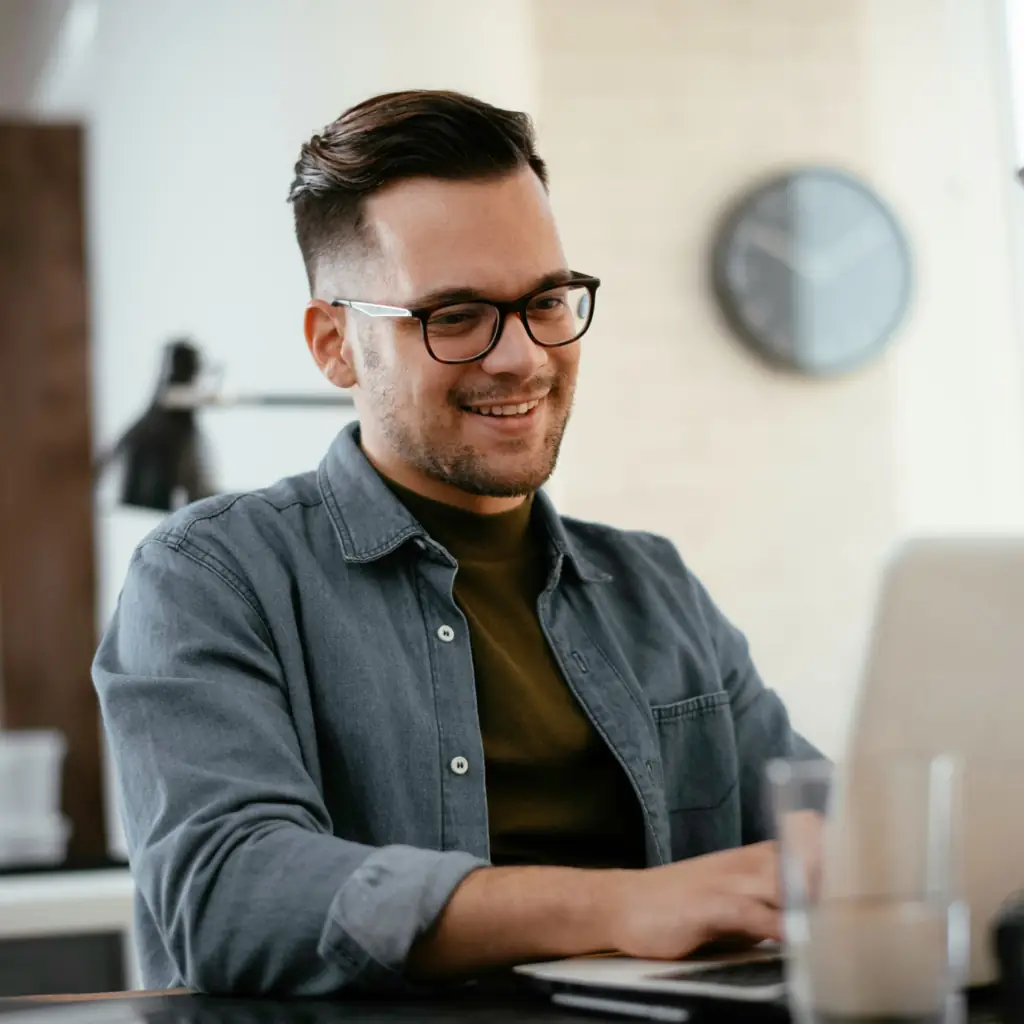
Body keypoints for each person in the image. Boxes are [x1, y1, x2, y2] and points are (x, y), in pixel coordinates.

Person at [93, 89, 819, 997]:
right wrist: (622, 907)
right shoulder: (211, 575)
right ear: (335, 344)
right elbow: (230, 895)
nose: (521, 356)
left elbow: (816, 829)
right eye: (456, 315)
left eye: (546, 300)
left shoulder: (653, 584)